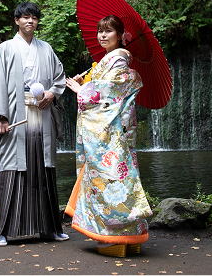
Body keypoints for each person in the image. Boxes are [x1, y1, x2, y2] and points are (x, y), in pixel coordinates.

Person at [64, 15, 152, 258]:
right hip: (114, 129)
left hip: (109, 134)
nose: (102, 35)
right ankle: (130, 237)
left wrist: (82, 90)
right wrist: (87, 82)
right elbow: (104, 90)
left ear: (120, 35)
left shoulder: (119, 61)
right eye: (100, 31)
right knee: (122, 180)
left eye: (109, 31)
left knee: (109, 179)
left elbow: (107, 93)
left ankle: (112, 238)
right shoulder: (110, 60)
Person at [0, 2, 69, 247]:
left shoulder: (46, 48)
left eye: (34, 17)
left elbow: (59, 77)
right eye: (25, 17)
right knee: (12, 168)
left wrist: (52, 93)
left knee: (44, 168)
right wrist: (0, 117)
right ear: (16, 21)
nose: (30, 21)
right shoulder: (5, 48)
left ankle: (49, 228)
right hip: (15, 112)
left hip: (42, 110)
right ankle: (1, 230)